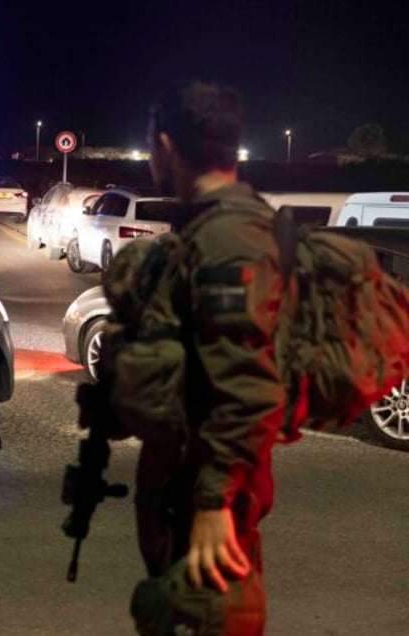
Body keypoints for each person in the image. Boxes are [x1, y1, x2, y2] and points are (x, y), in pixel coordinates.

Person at [119, 81, 286, 635]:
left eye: (150, 148)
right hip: (187, 494)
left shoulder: (227, 238)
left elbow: (246, 377)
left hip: (206, 506)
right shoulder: (213, 227)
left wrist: (214, 501)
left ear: (165, 146)